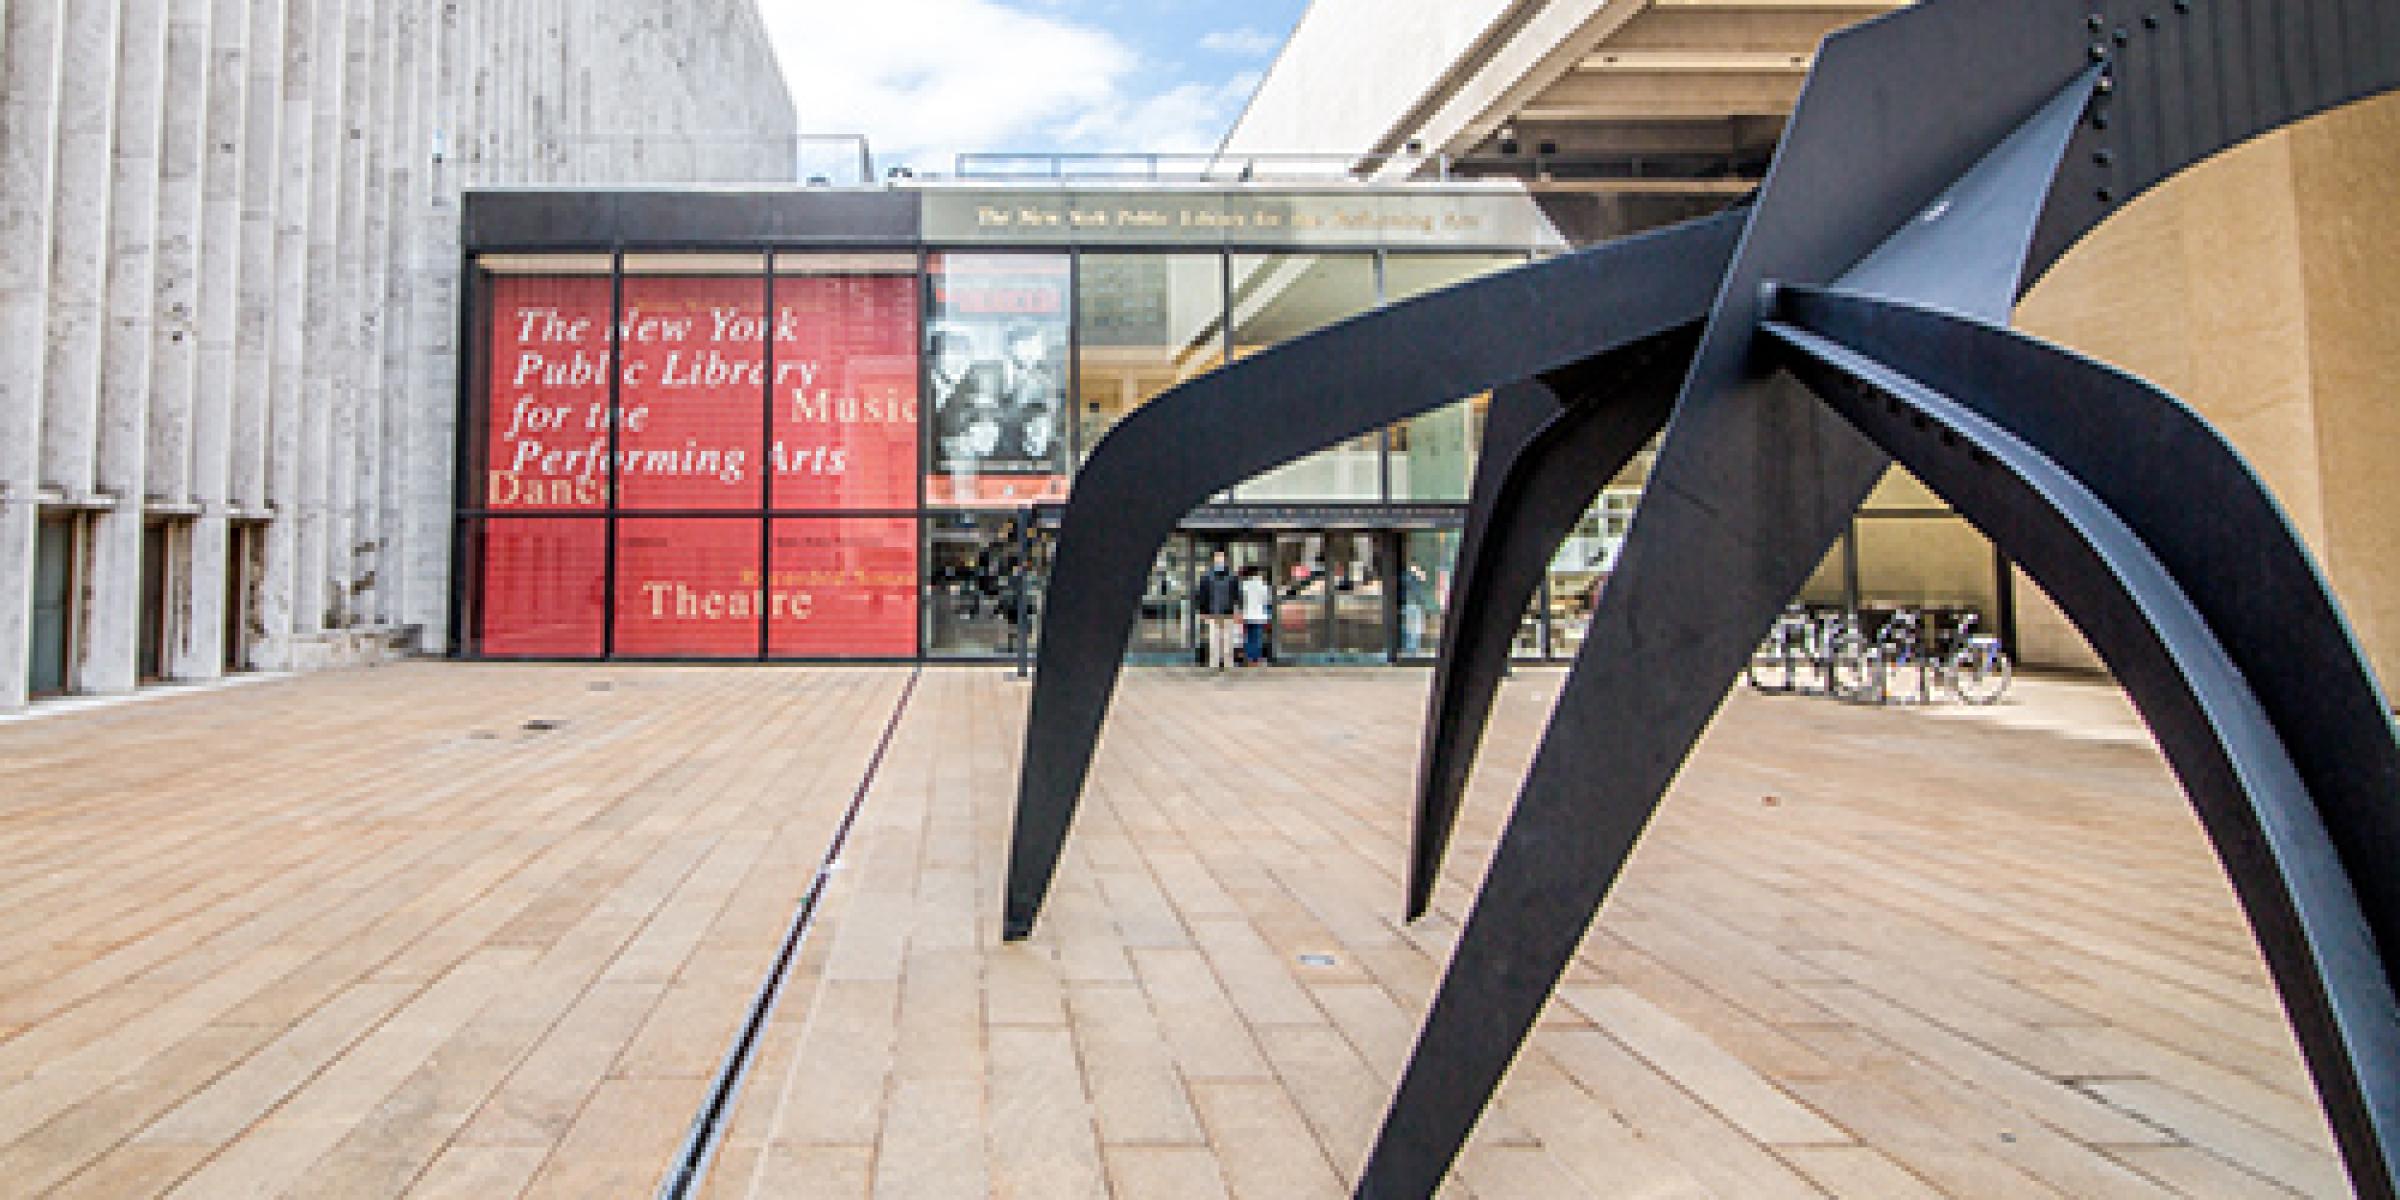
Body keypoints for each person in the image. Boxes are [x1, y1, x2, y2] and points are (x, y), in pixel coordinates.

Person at [1194, 550, 1242, 673]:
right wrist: (1203, 612)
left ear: (1225, 559)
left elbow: (1237, 595)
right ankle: (1214, 663)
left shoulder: (1233, 577)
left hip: (1228, 613)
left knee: (1228, 639)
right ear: (1213, 560)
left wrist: (1237, 611)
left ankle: (1228, 663)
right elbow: (1202, 595)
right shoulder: (1206, 577)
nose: (1219, 560)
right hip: (1213, 613)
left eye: (1221, 557)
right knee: (1214, 639)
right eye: (1217, 558)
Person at [1239, 564, 1273, 667]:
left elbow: (1240, 600)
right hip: (1259, 615)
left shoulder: (1244, 586)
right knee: (1257, 638)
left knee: (1248, 637)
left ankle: (1249, 658)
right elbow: (1267, 600)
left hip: (1247, 615)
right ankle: (1255, 659)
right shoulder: (1263, 586)